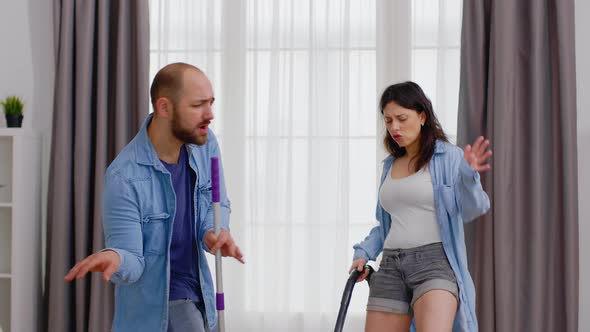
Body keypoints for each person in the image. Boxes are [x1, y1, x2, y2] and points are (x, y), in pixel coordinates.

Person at [64, 62, 244, 332]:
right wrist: (116, 256)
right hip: (160, 306)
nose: (209, 115)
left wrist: (214, 231)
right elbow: (133, 260)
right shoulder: (124, 177)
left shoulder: (205, 144)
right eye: (197, 105)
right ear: (164, 108)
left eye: (210, 103)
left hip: (201, 295)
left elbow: (215, 201)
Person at [350, 81, 491, 332]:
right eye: (388, 120)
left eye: (402, 118)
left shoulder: (449, 157)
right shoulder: (390, 165)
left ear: (422, 116)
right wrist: (363, 253)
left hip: (434, 264)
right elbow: (386, 226)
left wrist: (469, 177)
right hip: (391, 265)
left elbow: (474, 208)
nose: (395, 127)